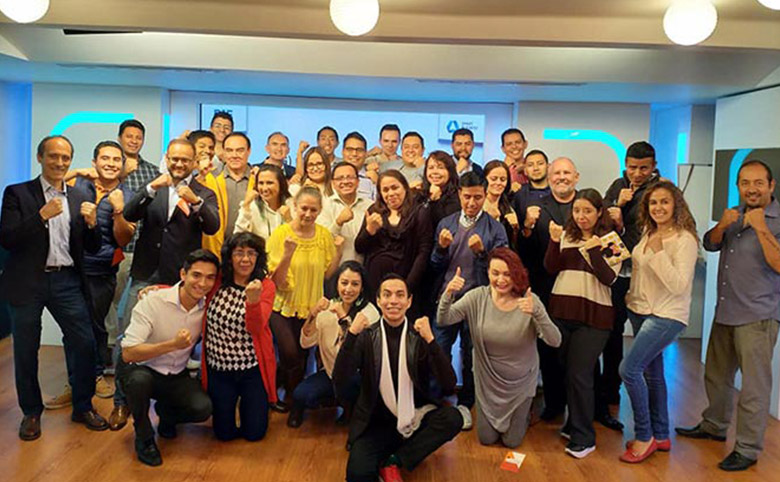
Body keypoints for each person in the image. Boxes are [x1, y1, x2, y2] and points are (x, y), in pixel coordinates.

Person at [0, 135, 108, 440]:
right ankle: (31, 413)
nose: (60, 163)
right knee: (25, 349)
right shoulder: (17, 194)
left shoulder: (76, 197)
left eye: (65, 158)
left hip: (67, 280)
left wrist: (91, 224)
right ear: (40, 158)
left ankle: (83, 406)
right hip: (27, 282)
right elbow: (7, 238)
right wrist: (39, 217)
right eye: (53, 157)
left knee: (84, 343)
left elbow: (92, 246)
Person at [676, 160, 780, 472]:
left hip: (758, 316)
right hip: (726, 311)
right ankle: (714, 425)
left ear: (771, 186)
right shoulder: (734, 215)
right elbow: (710, 243)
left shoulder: (774, 220)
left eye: (758, 183)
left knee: (753, 387)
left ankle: (747, 449)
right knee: (717, 377)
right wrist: (722, 224)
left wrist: (761, 228)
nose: (752, 188)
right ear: (738, 186)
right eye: (745, 182)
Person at [110, 139, 219, 430]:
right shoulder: (153, 186)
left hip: (180, 277)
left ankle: (168, 399)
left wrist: (194, 201)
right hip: (147, 271)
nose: (180, 165)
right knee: (128, 338)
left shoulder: (203, 193)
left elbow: (213, 225)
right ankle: (121, 403)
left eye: (186, 160)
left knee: (181, 338)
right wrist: (150, 189)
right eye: (175, 159)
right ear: (167, 159)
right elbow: (130, 213)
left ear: (195, 162)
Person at [332, 274, 462, 482]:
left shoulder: (418, 336)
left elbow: (448, 383)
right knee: (357, 475)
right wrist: (352, 335)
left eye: (400, 295)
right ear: (378, 300)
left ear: (409, 301)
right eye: (387, 295)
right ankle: (393, 455)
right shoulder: (366, 336)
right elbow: (340, 379)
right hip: (376, 423)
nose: (393, 301)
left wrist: (431, 341)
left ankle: (396, 460)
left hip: (413, 418)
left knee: (453, 418)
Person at [438, 247, 561, 447]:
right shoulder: (477, 297)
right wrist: (449, 293)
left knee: (512, 442)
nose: (501, 280)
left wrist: (538, 313)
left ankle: (525, 413)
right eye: (495, 273)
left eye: (507, 274)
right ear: (488, 273)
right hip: (487, 382)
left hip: (520, 384)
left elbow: (555, 341)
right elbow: (444, 319)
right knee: (486, 440)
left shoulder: (529, 301)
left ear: (516, 274)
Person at [618, 181, 698, 463]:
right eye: (653, 203)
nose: (659, 207)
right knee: (652, 374)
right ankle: (661, 434)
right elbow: (641, 270)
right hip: (640, 309)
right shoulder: (648, 232)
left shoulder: (684, 239)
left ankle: (644, 435)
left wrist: (659, 252)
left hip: (667, 314)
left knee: (629, 370)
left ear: (676, 204)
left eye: (664, 202)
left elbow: (678, 285)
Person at [119, 250, 218, 466]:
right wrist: (171, 345)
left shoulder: (208, 307)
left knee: (203, 408)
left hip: (176, 374)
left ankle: (167, 415)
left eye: (210, 277)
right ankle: (144, 437)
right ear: (183, 274)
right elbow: (128, 353)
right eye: (196, 275)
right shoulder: (153, 301)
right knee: (139, 382)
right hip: (142, 368)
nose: (202, 283)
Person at [544, 188, 620, 459]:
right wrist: (554, 242)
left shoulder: (611, 240)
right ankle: (573, 423)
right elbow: (551, 268)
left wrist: (596, 251)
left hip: (594, 317)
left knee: (580, 374)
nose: (581, 216)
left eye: (588, 210)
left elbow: (610, 279)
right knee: (567, 371)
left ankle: (584, 437)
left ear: (599, 212)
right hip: (562, 313)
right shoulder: (567, 236)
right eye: (577, 211)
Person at [429, 172, 509, 430]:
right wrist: (441, 248)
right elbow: (434, 264)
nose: (472, 202)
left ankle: (466, 401)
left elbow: (502, 270)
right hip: (447, 298)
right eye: (467, 197)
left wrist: (482, 253)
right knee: (439, 348)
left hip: (478, 302)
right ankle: (434, 398)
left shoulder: (495, 227)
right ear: (459, 195)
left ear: (485, 195)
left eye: (477, 197)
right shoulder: (446, 223)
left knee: (471, 354)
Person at [266, 186, 343, 410]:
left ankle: (295, 401)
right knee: (290, 354)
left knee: (302, 355)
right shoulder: (280, 234)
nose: (308, 214)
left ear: (319, 211)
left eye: (313, 210)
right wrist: (288, 253)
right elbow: (277, 281)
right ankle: (285, 393)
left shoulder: (323, 235)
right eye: (304, 209)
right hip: (282, 306)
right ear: (294, 207)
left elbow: (328, 274)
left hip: (311, 307)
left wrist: (338, 253)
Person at [69, 141, 136, 397]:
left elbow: (123, 240)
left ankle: (95, 375)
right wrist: (75, 172)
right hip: (71, 267)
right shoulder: (79, 185)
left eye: (116, 160)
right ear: (94, 162)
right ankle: (75, 381)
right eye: (105, 158)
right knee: (73, 327)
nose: (110, 163)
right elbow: (46, 185)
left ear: (122, 165)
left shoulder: (127, 195)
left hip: (101, 271)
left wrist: (118, 210)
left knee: (95, 327)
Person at [516, 156, 578, 421]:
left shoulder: (586, 205)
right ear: (549, 178)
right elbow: (526, 253)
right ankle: (553, 405)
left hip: (581, 290)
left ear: (576, 176)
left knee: (580, 354)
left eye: (567, 173)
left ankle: (584, 409)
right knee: (550, 349)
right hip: (546, 288)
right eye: (557, 173)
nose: (561, 177)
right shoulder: (537, 208)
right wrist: (527, 227)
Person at [601, 141, 661, 415]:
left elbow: (650, 237)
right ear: (625, 165)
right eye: (633, 167)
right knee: (612, 331)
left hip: (643, 274)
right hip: (616, 272)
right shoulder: (617, 185)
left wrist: (622, 223)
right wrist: (617, 205)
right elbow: (602, 225)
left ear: (653, 167)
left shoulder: (659, 193)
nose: (637, 173)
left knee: (643, 334)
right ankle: (610, 390)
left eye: (643, 168)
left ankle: (649, 397)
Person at [202, 233, 277, 442]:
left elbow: (255, 327)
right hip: (219, 370)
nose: (245, 259)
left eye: (251, 253)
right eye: (239, 253)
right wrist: (159, 289)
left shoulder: (265, 286)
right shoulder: (217, 280)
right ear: (229, 256)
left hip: (251, 370)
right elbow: (192, 287)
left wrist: (252, 301)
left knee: (255, 434)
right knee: (223, 435)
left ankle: (255, 407)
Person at [288, 261, 380, 428]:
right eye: (344, 283)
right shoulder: (327, 308)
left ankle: (349, 408)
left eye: (355, 284)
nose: (348, 289)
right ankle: (333, 402)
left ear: (362, 288)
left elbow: (356, 355)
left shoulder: (369, 313)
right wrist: (312, 315)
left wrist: (343, 318)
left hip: (356, 376)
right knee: (301, 395)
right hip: (331, 373)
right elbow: (305, 342)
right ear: (336, 284)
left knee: (351, 388)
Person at [355, 170, 433, 298]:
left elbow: (423, 252)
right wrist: (370, 230)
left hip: (406, 280)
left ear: (405, 188)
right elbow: (359, 247)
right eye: (385, 190)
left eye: (395, 188)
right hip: (375, 281)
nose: (391, 193)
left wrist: (408, 286)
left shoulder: (419, 212)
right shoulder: (374, 211)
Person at [200, 132, 257, 257]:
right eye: (229, 151)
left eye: (240, 150)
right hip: (215, 251)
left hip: (250, 252)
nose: (234, 155)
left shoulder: (259, 179)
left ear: (249, 151)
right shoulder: (209, 178)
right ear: (223, 152)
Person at [317, 162, 372, 263]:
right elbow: (320, 241)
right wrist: (338, 223)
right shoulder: (324, 206)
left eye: (350, 177)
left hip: (365, 270)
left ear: (358, 181)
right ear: (333, 183)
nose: (345, 181)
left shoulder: (370, 206)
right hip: (334, 270)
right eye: (340, 178)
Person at [234, 164, 293, 240]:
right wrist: (245, 206)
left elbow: (302, 241)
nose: (264, 188)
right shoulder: (250, 207)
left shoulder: (293, 205)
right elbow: (237, 239)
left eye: (269, 183)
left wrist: (289, 220)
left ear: (281, 184)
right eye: (261, 183)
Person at [417, 150, 461, 230]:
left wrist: (435, 201)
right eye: (431, 168)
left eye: (440, 168)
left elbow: (445, 225)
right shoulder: (420, 194)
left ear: (450, 171)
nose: (435, 172)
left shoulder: (457, 195)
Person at [483, 160, 520, 243]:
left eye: (503, 179)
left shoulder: (509, 207)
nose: (498, 183)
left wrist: (515, 229)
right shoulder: (476, 205)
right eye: (494, 179)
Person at [511, 149, 550, 224]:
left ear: (548, 167)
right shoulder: (518, 194)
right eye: (530, 165)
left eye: (540, 163)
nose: (536, 168)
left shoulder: (558, 192)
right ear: (525, 171)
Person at [341, 131, 377, 201]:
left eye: (359, 150)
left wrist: (378, 183)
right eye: (350, 149)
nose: (354, 154)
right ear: (342, 152)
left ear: (366, 153)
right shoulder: (331, 177)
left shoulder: (373, 178)